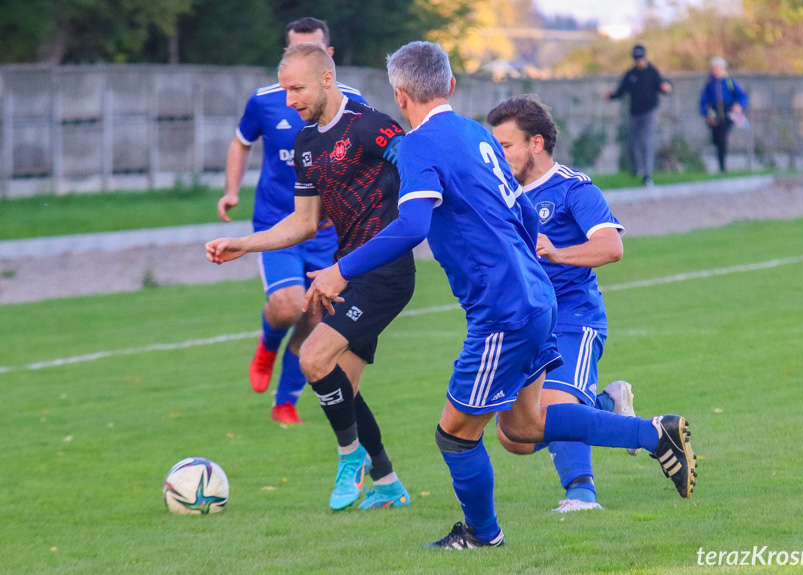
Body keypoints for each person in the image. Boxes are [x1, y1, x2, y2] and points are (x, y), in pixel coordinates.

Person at [305, 41, 697, 549]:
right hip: (536, 296)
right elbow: (525, 211)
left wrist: (342, 269)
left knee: (455, 433)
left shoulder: (420, 145)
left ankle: (482, 534)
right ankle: (653, 433)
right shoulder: (476, 135)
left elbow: (412, 225)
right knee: (525, 425)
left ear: (400, 96)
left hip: (501, 311)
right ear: (449, 86)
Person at [207, 43, 413, 511]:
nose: (289, 101)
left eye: (297, 88)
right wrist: (245, 243)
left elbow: (426, 180)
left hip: (385, 271)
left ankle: (349, 458)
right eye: (284, 91)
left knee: (314, 357)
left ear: (326, 79)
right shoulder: (305, 144)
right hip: (345, 268)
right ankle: (388, 483)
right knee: (344, 385)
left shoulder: (372, 126)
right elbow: (302, 222)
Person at [487, 94, 638, 513]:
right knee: (514, 436)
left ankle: (581, 495)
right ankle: (606, 405)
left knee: (551, 406)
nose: (498, 155)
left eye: (506, 146)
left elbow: (610, 248)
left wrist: (557, 252)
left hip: (574, 316)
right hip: (525, 322)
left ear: (536, 144)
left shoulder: (574, 188)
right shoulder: (498, 193)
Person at [218, 17, 368, 425]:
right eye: (290, 52)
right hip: (277, 222)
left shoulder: (356, 107)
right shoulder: (268, 100)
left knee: (315, 317)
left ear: (327, 61)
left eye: (307, 51)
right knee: (286, 307)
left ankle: (285, 400)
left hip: (328, 232)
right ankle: (268, 345)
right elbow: (241, 141)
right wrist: (232, 191)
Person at [605, 44, 672, 187]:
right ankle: (639, 169)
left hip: (649, 111)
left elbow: (662, 85)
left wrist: (666, 88)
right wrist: (612, 96)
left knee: (646, 141)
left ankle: (647, 175)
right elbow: (622, 90)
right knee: (632, 142)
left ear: (645, 57)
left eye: (641, 58)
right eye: (637, 59)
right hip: (635, 113)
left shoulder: (652, 71)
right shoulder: (631, 74)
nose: (640, 61)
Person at [699, 56, 749, 173]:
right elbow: (703, 102)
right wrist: (707, 114)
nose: (717, 71)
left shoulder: (729, 82)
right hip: (714, 111)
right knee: (716, 139)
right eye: (715, 68)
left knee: (722, 138)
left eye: (719, 68)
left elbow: (742, 95)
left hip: (728, 110)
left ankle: (723, 168)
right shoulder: (709, 84)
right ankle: (721, 154)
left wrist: (739, 105)